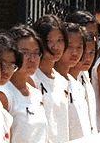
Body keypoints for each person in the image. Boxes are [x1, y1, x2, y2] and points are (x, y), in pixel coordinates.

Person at [0, 25, 47, 143]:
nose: (32, 59)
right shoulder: (3, 94)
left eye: (36, 53)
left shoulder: (36, 93)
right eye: (25, 53)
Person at [30, 15, 70, 143]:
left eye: (60, 40)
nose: (56, 46)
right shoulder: (31, 79)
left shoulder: (62, 81)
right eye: (49, 41)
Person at [55, 22, 94, 139]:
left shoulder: (77, 85)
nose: (75, 53)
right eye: (70, 47)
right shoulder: (49, 83)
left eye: (79, 47)